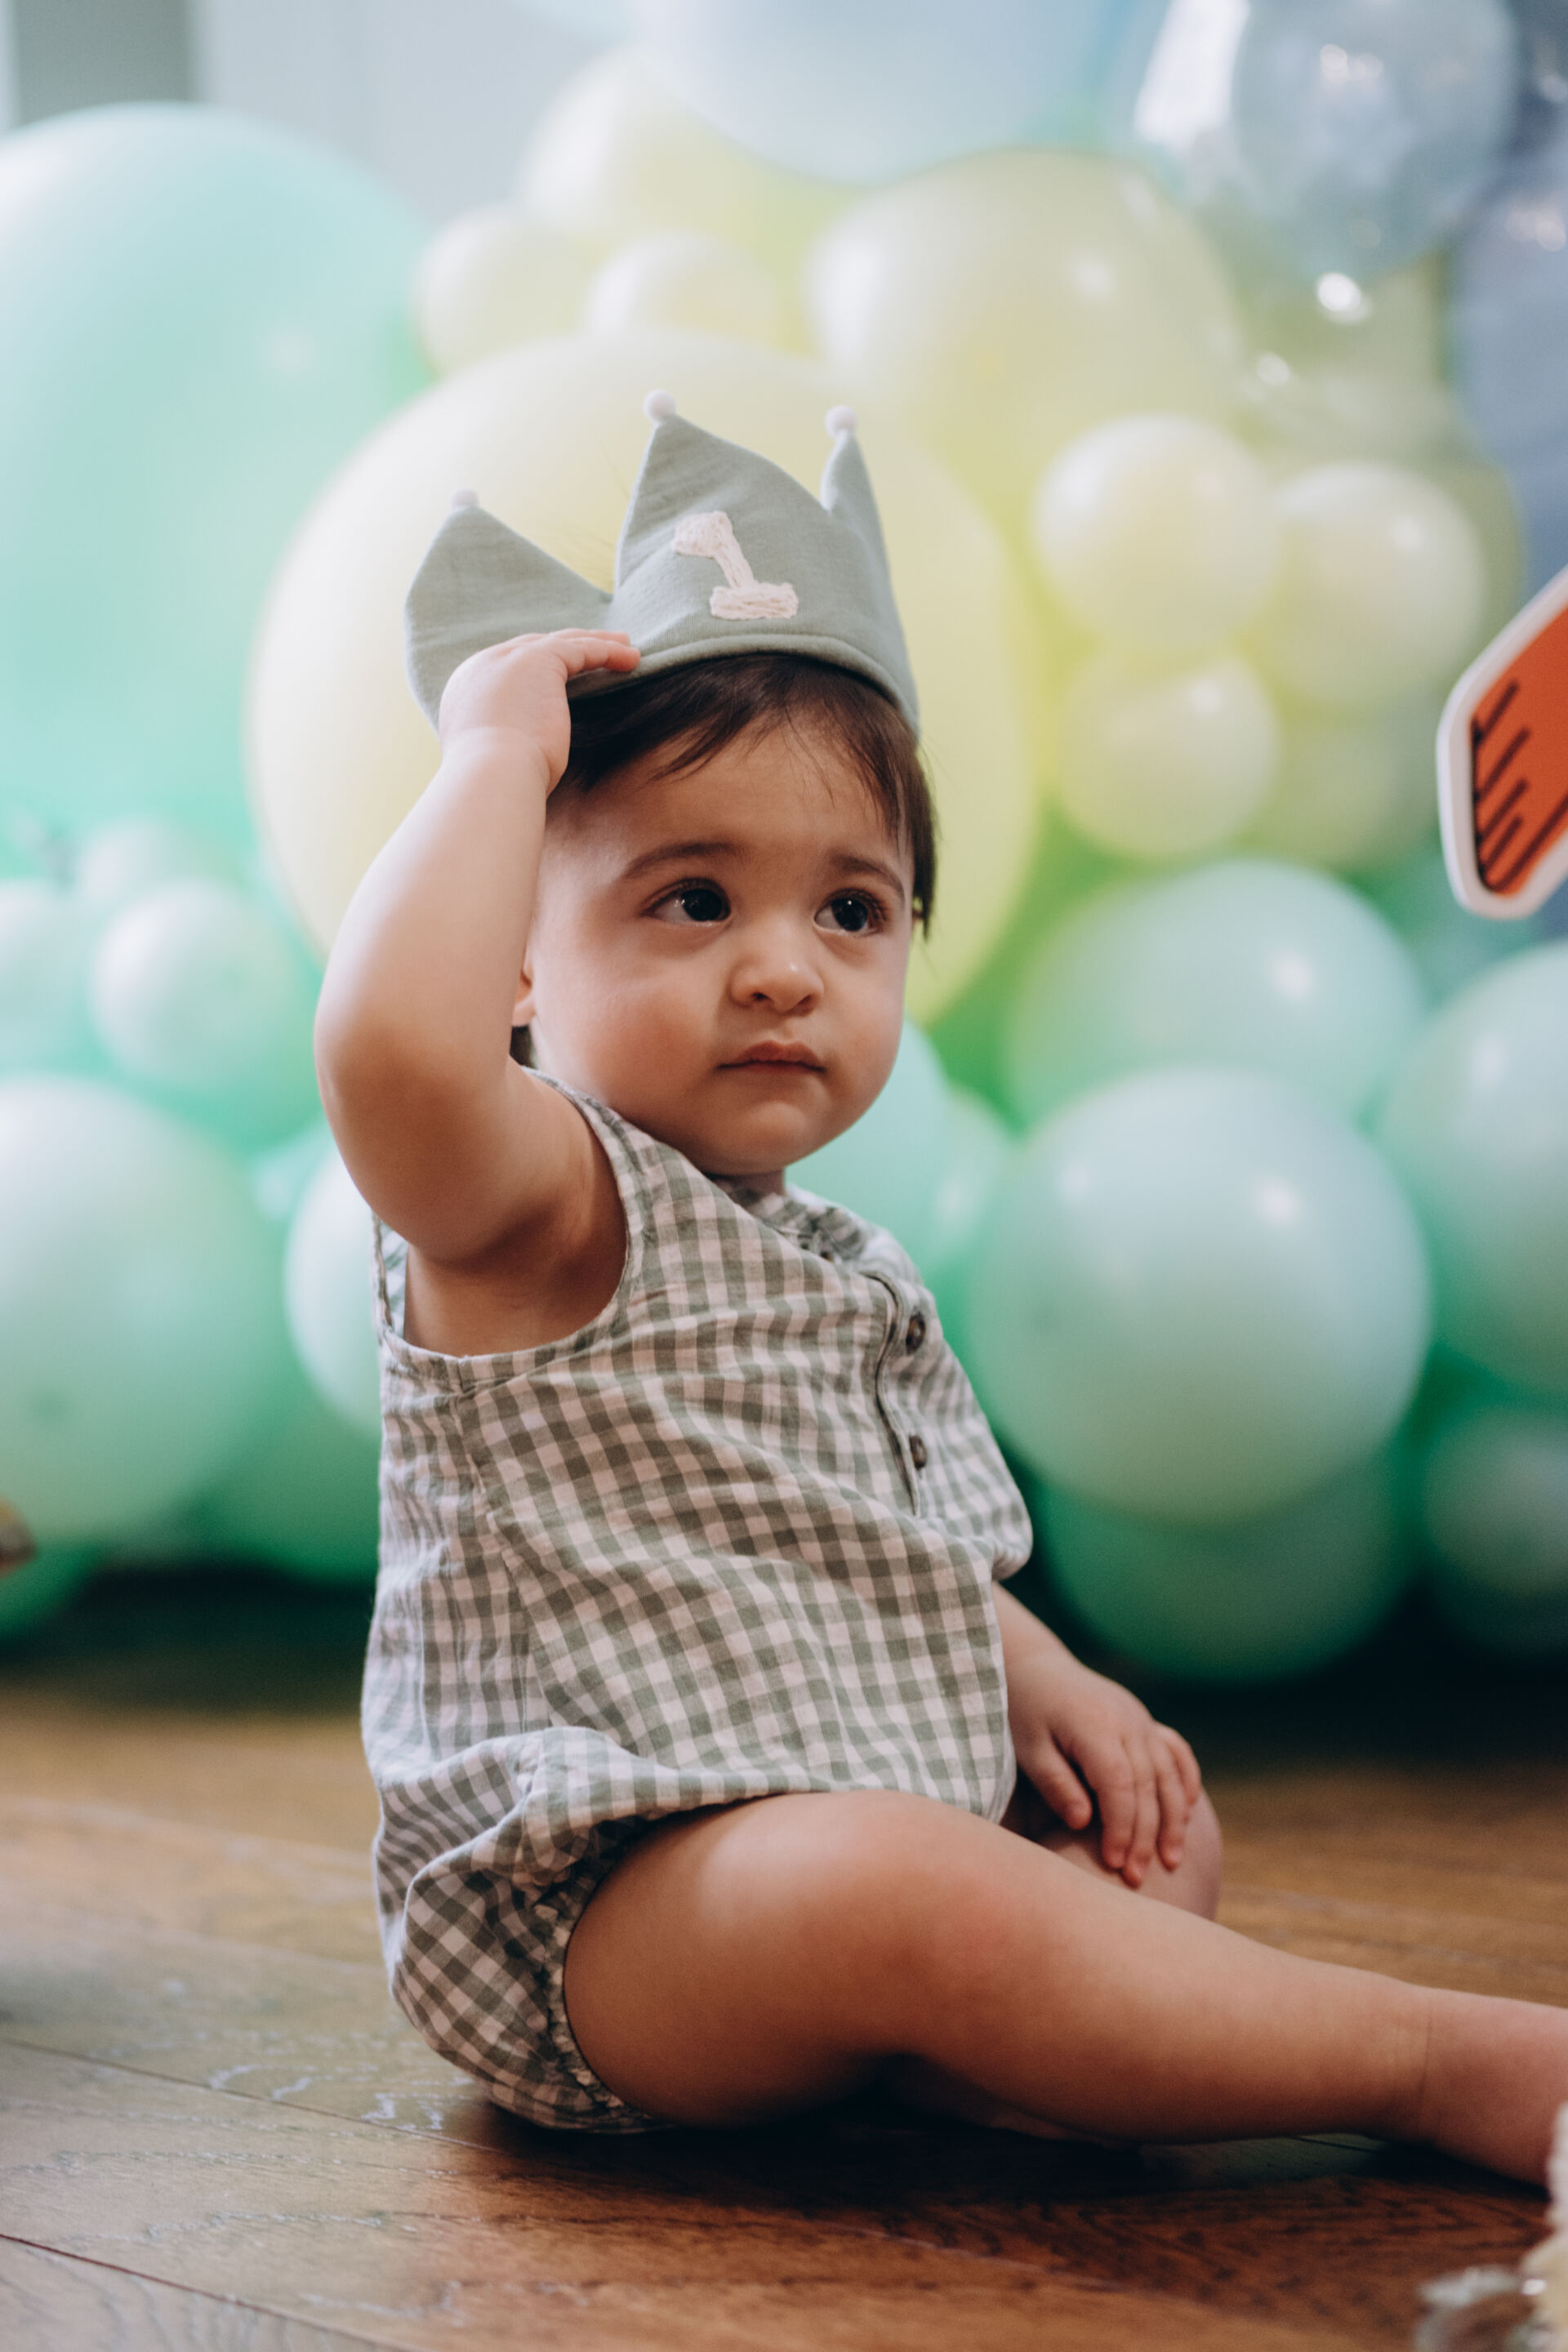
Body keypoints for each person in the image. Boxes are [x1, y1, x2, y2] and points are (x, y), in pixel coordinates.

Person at [316, 394, 1568, 2177]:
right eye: (692, 900)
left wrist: (1036, 1674)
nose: (783, 969)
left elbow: (868, 1547)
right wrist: (492, 768)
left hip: (849, 1837)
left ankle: (991, 2048)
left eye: (852, 911)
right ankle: (1426, 2062)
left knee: (1142, 1832)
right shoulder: (537, 1204)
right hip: (604, 1918)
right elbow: (390, 1054)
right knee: (901, 1886)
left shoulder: (843, 1265)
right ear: (519, 964)